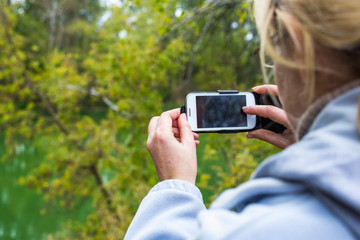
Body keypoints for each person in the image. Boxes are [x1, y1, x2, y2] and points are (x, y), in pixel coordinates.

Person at [124, 0, 360, 239]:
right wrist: (316, 152)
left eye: (273, 48)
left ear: (299, 47)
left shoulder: (272, 224)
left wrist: (175, 185)